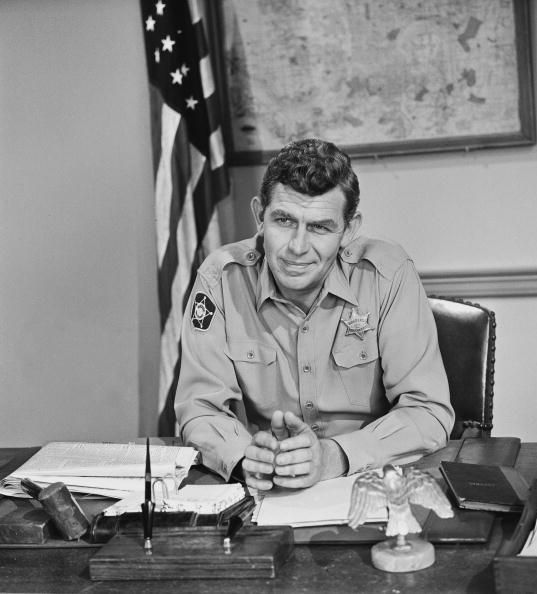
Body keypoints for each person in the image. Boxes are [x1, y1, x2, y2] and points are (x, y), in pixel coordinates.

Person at [174, 138, 454, 491]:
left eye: (320, 227)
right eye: (284, 220)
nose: (297, 247)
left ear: (349, 230)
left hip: (369, 480)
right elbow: (198, 408)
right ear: (260, 215)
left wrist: (333, 457)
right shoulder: (220, 279)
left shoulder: (387, 273)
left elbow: (428, 412)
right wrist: (247, 459)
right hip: (268, 486)